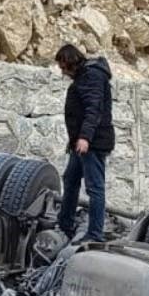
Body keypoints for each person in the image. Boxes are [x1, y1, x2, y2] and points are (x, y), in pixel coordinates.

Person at [55, 43, 115, 244]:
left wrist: (85, 138)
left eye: (64, 67)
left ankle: (95, 234)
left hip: (92, 143)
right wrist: (76, 140)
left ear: (71, 61)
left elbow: (93, 109)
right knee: (70, 180)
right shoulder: (83, 77)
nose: (63, 73)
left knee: (94, 188)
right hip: (81, 143)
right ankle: (65, 223)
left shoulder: (92, 76)